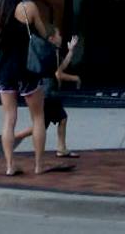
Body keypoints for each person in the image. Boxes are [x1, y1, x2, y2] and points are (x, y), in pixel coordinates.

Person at [0, 0, 49, 178]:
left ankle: (10, 165)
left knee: (8, 118)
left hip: (5, 69)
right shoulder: (28, 8)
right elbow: (43, 33)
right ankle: (39, 164)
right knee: (38, 117)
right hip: (27, 68)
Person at [44, 29, 82, 165]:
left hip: (49, 93)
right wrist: (75, 78)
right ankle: (13, 138)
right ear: (51, 38)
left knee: (60, 119)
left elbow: (61, 67)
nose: (61, 37)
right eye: (58, 35)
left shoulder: (54, 51)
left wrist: (70, 51)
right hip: (49, 94)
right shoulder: (50, 52)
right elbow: (58, 74)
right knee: (42, 125)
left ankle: (61, 148)